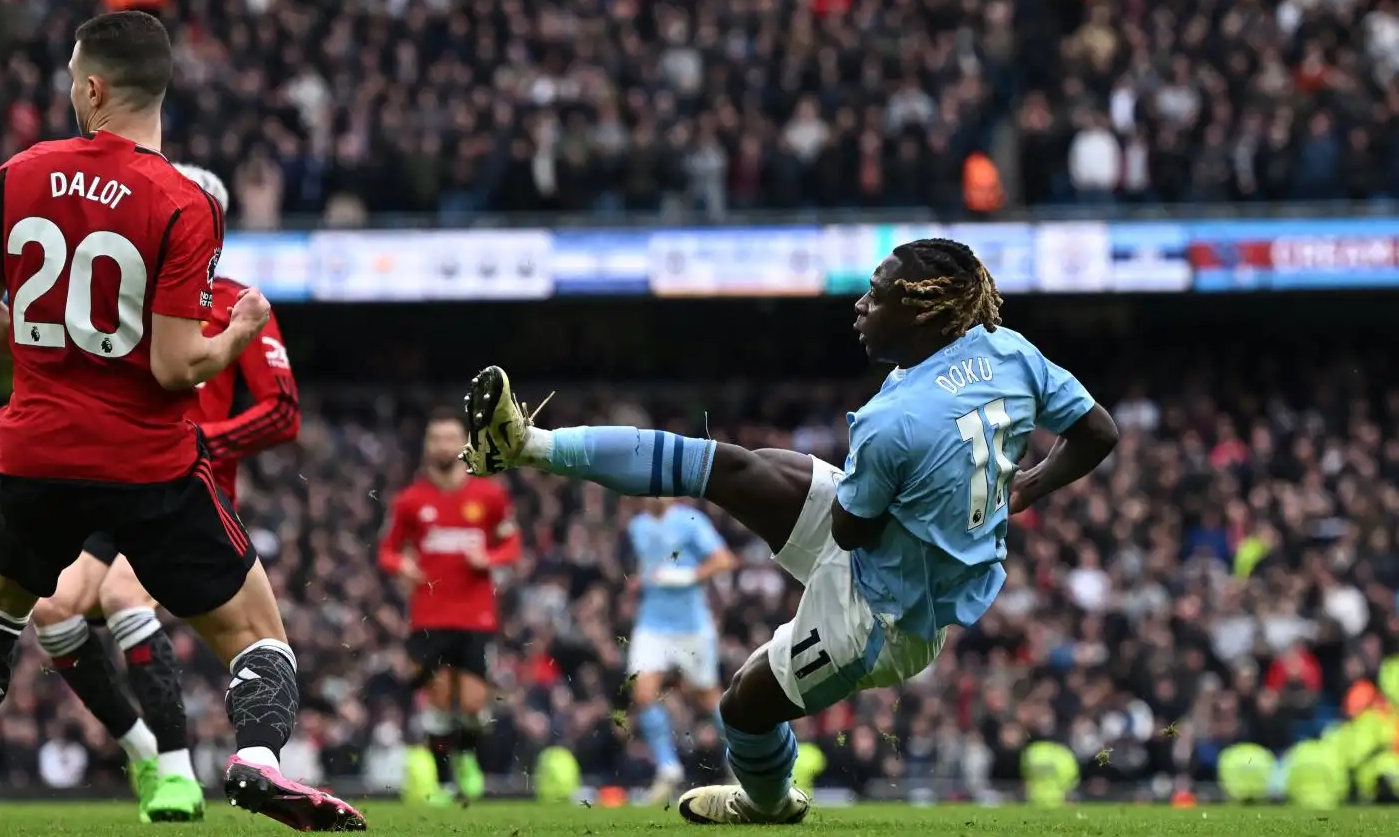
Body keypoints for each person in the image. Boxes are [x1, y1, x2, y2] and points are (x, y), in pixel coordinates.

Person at [462, 237, 1119, 825]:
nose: (860, 306)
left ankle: (766, 804)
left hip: (881, 618)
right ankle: (526, 445)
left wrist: (981, 488)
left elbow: (850, 531)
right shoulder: (1011, 352)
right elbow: (1098, 431)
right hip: (895, 551)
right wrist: (1028, 486)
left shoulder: (895, 420)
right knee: (732, 467)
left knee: (742, 708)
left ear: (922, 312)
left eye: (876, 294)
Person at [0, 10, 362, 834]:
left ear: (92, 89)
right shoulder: (182, 202)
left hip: (37, 455)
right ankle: (255, 758)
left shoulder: (15, 176)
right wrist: (238, 331)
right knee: (259, 636)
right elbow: (173, 367)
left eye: (69, 81)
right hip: (146, 463)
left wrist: (62, 340)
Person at [0, 164, 300, 824]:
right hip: (110, 480)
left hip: (182, 490)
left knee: (124, 594)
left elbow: (282, 411)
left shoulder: (235, 301)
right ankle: (143, 750)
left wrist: (201, 441)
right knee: (52, 610)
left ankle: (178, 772)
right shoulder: (115, 295)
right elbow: (64, 404)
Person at [376, 410, 521, 804]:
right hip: (430, 614)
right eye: (436, 439)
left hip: (476, 615)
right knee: (439, 700)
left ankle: (468, 758)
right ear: (427, 446)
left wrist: (489, 558)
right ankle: (442, 783)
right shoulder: (410, 501)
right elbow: (387, 551)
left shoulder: (489, 495)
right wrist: (402, 565)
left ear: (464, 444)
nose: (443, 445)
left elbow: (512, 544)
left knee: (473, 702)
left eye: (450, 438)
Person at [627, 497, 736, 805]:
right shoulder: (637, 526)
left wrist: (686, 576)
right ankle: (668, 768)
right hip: (652, 623)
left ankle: (741, 760)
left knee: (708, 697)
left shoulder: (690, 520)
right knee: (642, 693)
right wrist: (640, 582)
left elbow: (724, 559)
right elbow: (648, 566)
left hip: (691, 626)